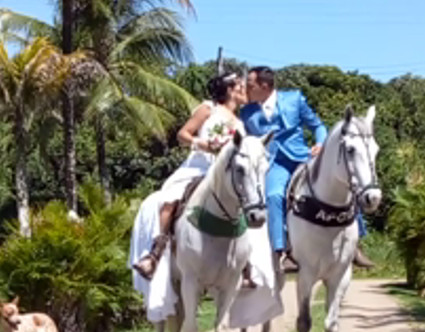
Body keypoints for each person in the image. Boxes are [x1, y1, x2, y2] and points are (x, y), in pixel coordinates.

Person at [240, 66, 375, 272]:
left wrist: (320, 143)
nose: (246, 89)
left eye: (250, 85)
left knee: (345, 181)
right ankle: (282, 250)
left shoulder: (294, 99)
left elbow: (318, 126)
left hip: (302, 156)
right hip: (275, 163)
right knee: (275, 195)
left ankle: (357, 244)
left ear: (264, 86)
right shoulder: (246, 112)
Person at [129, 72, 257, 288]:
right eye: (240, 85)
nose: (245, 90)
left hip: (225, 173)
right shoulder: (208, 108)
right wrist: (204, 144)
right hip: (200, 167)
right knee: (170, 199)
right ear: (229, 89)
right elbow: (183, 135)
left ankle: (244, 262)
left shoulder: (240, 122)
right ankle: (155, 254)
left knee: (249, 202)